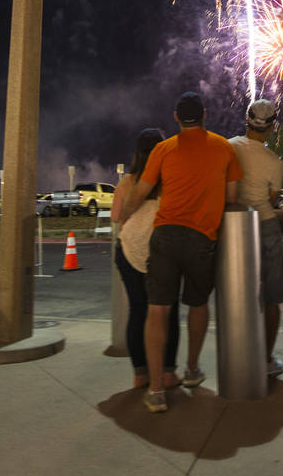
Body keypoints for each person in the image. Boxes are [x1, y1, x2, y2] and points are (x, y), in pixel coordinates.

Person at [123, 92, 243, 413]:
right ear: (204, 113)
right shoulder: (224, 147)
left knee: (157, 310)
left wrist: (124, 215)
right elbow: (232, 196)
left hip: (165, 236)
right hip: (203, 238)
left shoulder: (163, 149)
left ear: (176, 118)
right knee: (198, 304)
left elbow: (143, 191)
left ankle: (157, 390)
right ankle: (191, 369)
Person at [110, 128, 181, 390]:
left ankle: (140, 374)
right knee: (167, 313)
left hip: (129, 250)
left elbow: (117, 217)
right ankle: (166, 373)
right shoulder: (170, 180)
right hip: (162, 252)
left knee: (138, 312)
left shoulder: (127, 182)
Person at [228, 99, 283, 378]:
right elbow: (272, 198)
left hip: (232, 225)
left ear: (246, 120)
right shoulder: (274, 162)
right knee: (272, 296)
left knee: (235, 295)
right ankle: (265, 358)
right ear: (272, 127)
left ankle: (237, 352)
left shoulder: (228, 147)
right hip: (264, 224)